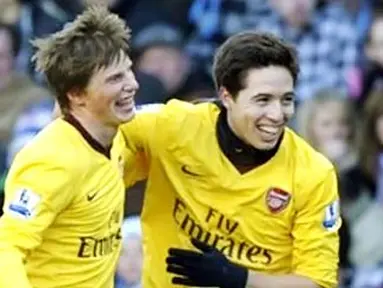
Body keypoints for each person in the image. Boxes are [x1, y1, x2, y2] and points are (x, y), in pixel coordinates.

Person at [120, 31, 341, 288]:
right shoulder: (173, 127)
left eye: (287, 100)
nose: (277, 114)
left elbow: (318, 283)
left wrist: (241, 278)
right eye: (263, 100)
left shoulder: (313, 173)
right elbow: (91, 134)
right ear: (227, 97)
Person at [0, 6, 140, 288]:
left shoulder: (119, 134)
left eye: (128, 71)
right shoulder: (52, 161)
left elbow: (174, 117)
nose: (133, 85)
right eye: (115, 78)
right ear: (77, 94)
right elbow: (7, 248)